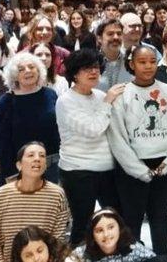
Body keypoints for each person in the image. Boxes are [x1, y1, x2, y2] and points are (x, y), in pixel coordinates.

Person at [107, 45, 167, 259]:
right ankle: (134, 257)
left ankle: (160, 256)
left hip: (164, 166)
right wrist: (138, 170)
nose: (148, 66)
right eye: (142, 62)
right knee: (132, 218)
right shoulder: (122, 94)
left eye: (152, 61)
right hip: (132, 168)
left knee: (160, 217)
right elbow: (117, 137)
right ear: (132, 64)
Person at [57, 49, 124, 245]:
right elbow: (93, 129)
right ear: (75, 74)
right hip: (78, 170)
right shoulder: (65, 101)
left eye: (96, 67)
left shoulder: (100, 95)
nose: (94, 72)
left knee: (115, 218)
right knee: (83, 222)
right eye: (87, 68)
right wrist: (109, 101)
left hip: (107, 167)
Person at [0, 142, 69, 262]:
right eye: (31, 155)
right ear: (19, 165)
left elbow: (58, 239)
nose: (37, 159)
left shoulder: (57, 195)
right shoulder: (2, 195)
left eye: (42, 156)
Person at [0, 52, 60, 185]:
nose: (28, 71)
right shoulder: (6, 102)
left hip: (53, 163)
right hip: (21, 166)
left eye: (31, 67)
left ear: (39, 70)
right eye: (21, 69)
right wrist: (10, 173)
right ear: (15, 76)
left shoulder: (50, 94)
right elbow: (1, 142)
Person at [66, 208, 158, 262]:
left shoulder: (134, 249)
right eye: (99, 231)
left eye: (111, 227)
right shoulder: (80, 255)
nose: (106, 234)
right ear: (92, 235)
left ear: (120, 228)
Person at [96, 20, 133, 92]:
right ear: (99, 38)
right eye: (110, 34)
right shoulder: (90, 62)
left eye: (119, 34)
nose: (116, 37)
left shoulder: (131, 61)